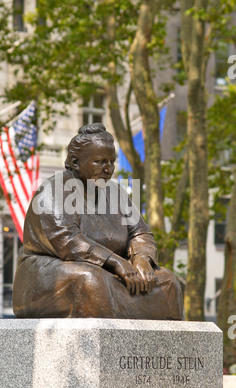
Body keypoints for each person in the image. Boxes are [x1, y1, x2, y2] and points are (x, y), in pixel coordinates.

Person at [13, 123, 183, 320]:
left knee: (168, 282)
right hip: (49, 275)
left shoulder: (116, 193)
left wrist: (142, 258)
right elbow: (68, 241)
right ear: (76, 162)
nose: (108, 169)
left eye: (112, 162)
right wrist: (114, 261)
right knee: (92, 281)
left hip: (113, 271)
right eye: (100, 162)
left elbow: (140, 233)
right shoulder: (52, 192)